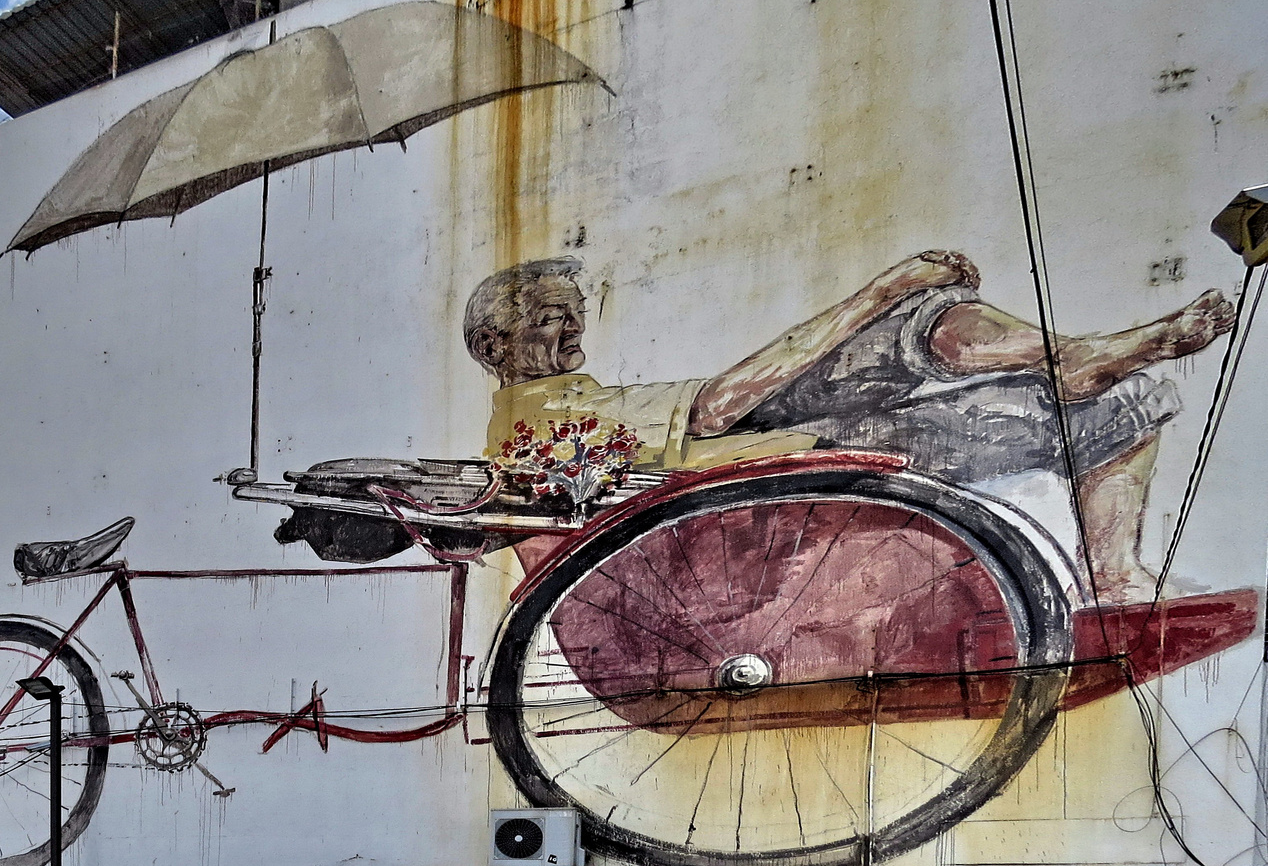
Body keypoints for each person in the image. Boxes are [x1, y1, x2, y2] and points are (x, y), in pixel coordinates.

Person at [463, 251, 1236, 597]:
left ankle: (1074, 359)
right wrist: (875, 291)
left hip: (765, 448)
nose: (572, 337)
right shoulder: (539, 421)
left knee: (922, 323)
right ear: (495, 346)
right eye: (549, 323)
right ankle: (1114, 571)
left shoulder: (569, 402)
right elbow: (718, 407)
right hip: (776, 469)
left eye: (572, 319)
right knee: (910, 316)